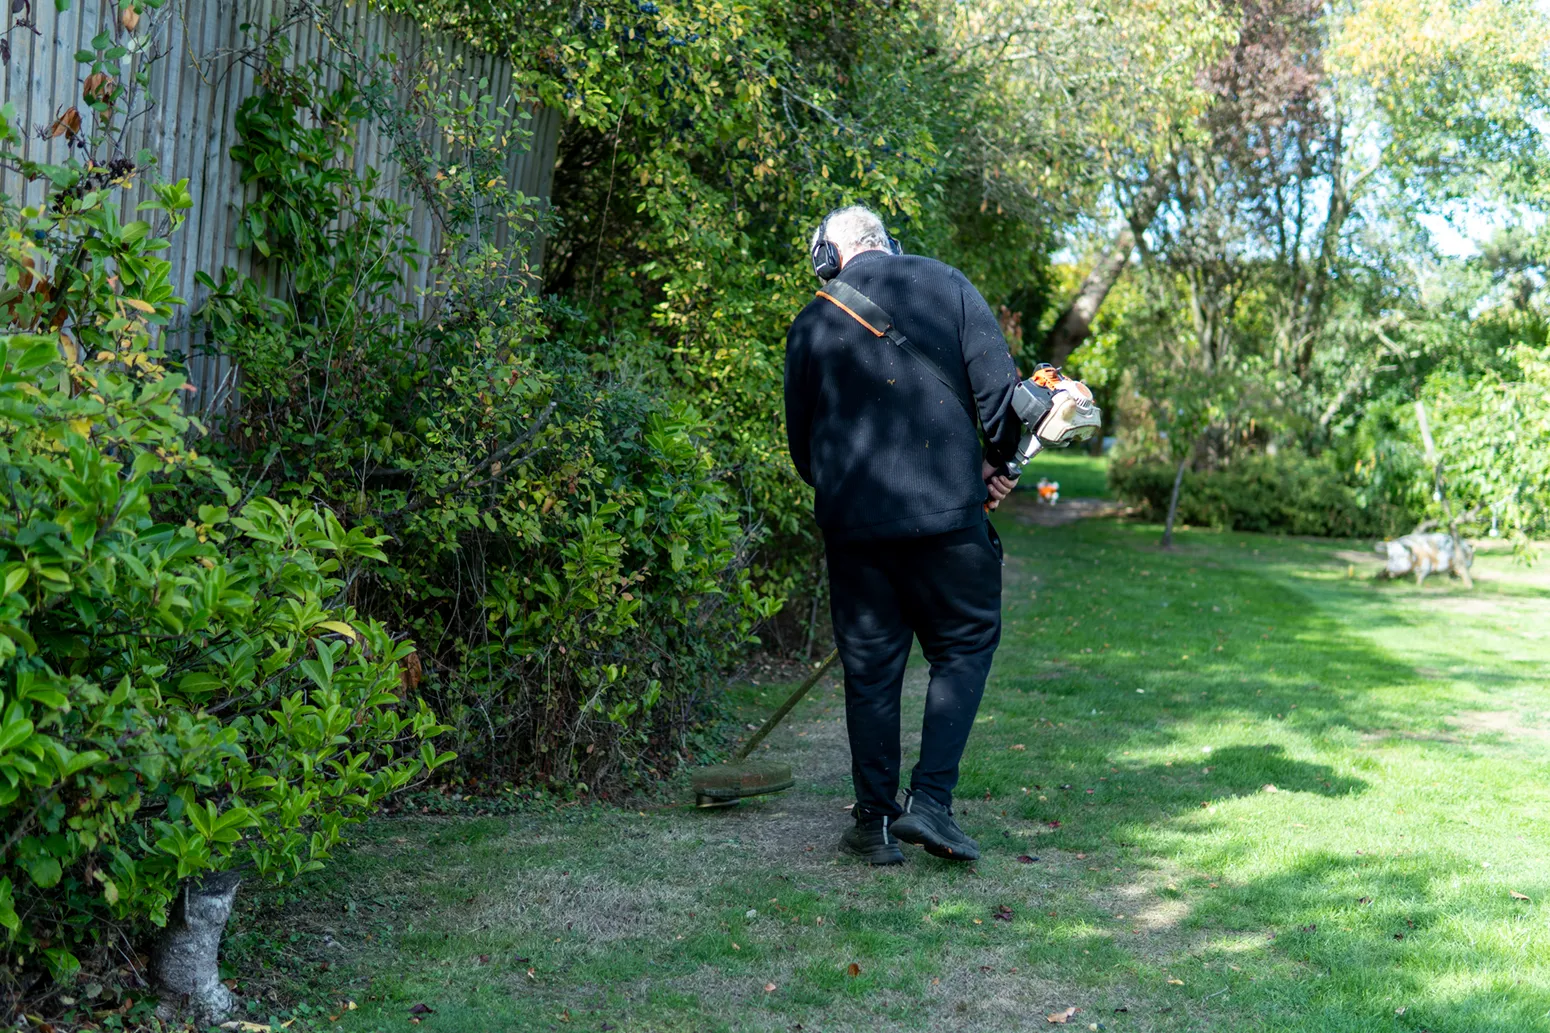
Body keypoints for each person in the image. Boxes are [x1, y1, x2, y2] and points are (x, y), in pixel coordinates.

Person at [783, 204, 1021, 865]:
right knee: (965, 643)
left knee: (871, 672)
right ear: (889, 244)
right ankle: (933, 803)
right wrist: (996, 466)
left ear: (828, 257)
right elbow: (1003, 405)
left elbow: (805, 453)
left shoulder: (810, 321)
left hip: (854, 530)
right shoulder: (949, 283)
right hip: (949, 518)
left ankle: (874, 825)